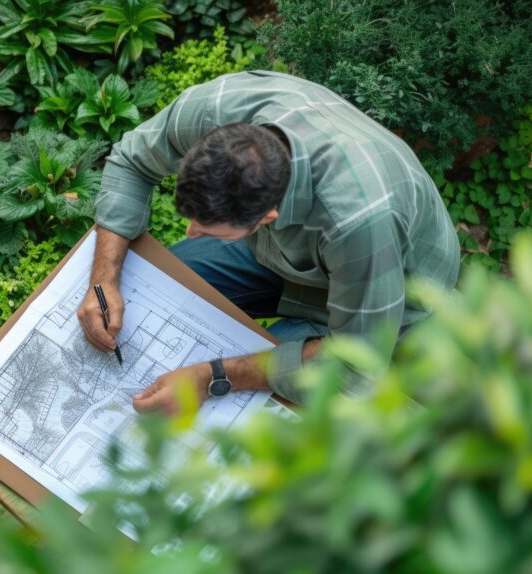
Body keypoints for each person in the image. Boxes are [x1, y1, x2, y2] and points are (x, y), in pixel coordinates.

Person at [76, 70, 460, 412]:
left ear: (266, 218)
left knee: (263, 384)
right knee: (167, 287)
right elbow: (131, 161)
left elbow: (352, 367)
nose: (190, 231)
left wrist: (214, 376)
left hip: (390, 291)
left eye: (208, 228)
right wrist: (104, 278)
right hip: (277, 256)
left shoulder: (359, 222)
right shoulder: (218, 108)